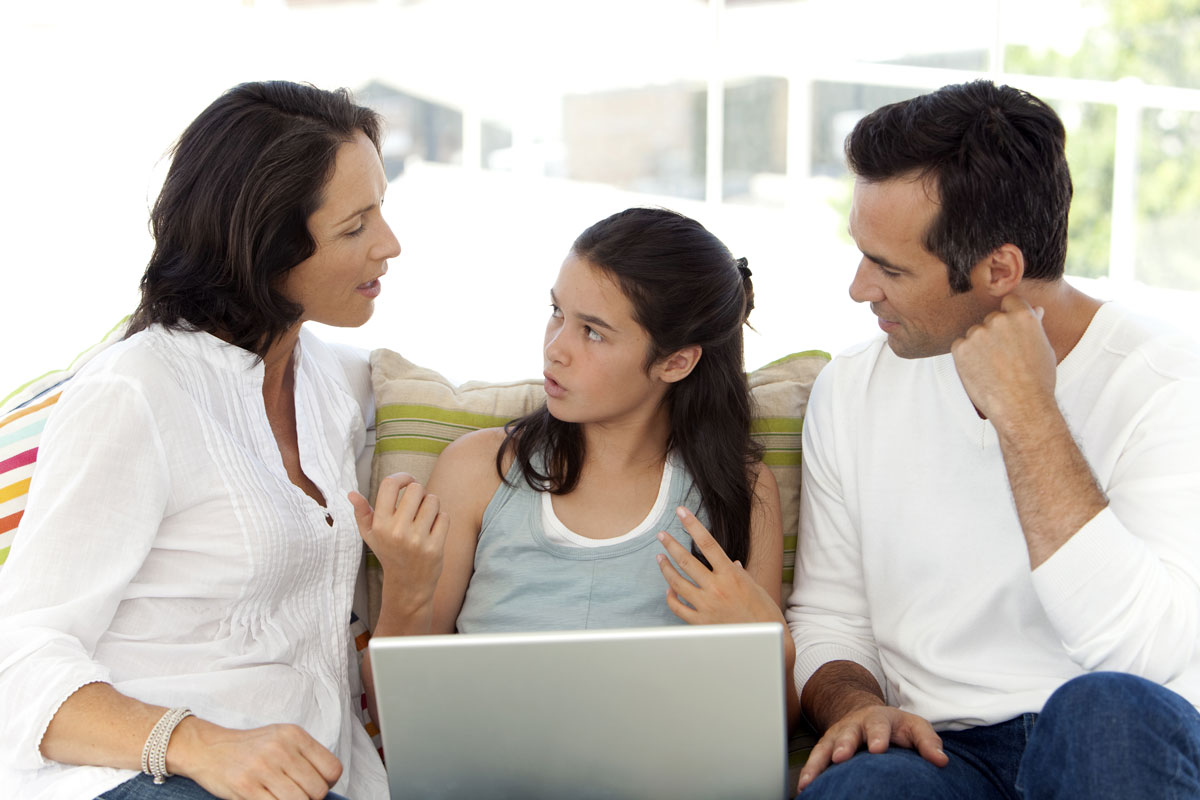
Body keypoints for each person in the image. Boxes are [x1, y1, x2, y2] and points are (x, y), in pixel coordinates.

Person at [0, 81, 435, 800]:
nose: (389, 245)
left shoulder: (328, 384)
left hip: (308, 782)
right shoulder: (137, 392)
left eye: (381, 209)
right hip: (146, 778)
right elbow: (16, 657)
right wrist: (198, 744)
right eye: (355, 226)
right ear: (266, 245)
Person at [785, 79, 1200, 798]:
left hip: (1110, 742)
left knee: (1103, 717)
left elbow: (1147, 656)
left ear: (999, 271)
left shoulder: (1167, 383)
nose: (859, 289)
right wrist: (855, 705)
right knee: (864, 787)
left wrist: (1028, 414)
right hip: (941, 753)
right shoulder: (853, 387)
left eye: (889, 267)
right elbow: (831, 618)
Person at [351, 207, 799, 724]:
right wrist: (405, 583)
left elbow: (775, 724)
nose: (555, 349)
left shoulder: (742, 491)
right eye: (557, 312)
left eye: (593, 332)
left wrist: (769, 646)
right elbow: (393, 712)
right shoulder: (478, 470)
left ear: (676, 361)